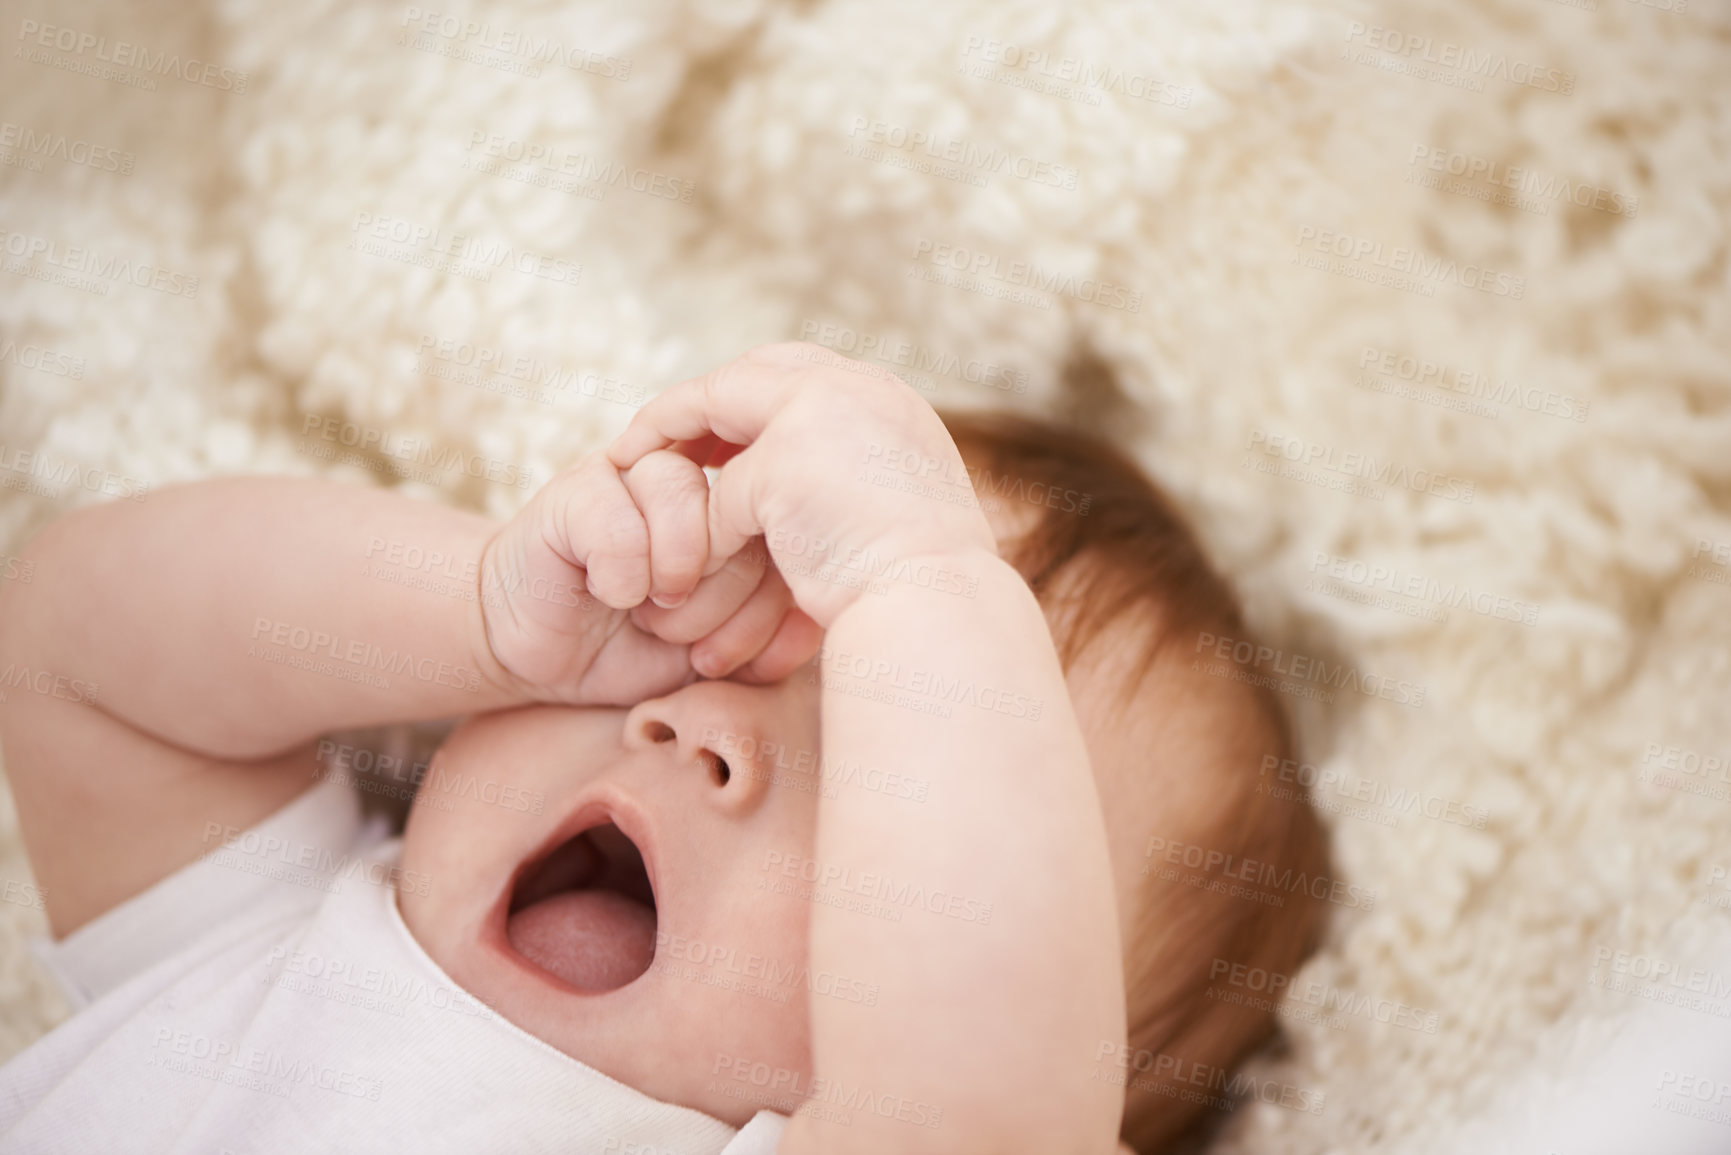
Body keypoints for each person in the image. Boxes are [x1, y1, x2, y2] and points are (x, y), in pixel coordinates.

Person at [0, 343, 1327, 1153]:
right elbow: (70, 643)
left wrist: (919, 582)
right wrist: (480, 615)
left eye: (875, 777)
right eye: (698, 638)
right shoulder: (267, 948)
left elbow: (967, 1127)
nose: (702, 730)